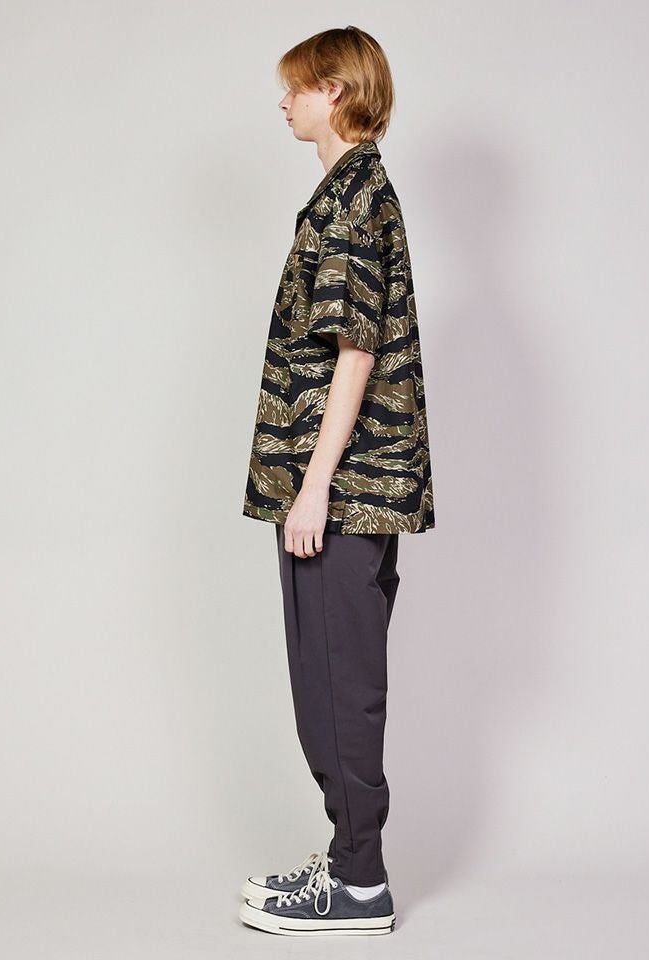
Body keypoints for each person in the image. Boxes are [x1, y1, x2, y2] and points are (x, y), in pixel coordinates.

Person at [239, 25, 435, 937]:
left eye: (297, 87)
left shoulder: (354, 200)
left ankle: (358, 885)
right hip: (344, 489)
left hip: (345, 492)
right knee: (327, 683)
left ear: (337, 92)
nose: (284, 101)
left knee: (338, 685)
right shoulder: (349, 193)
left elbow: (355, 353)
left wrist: (313, 485)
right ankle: (349, 862)